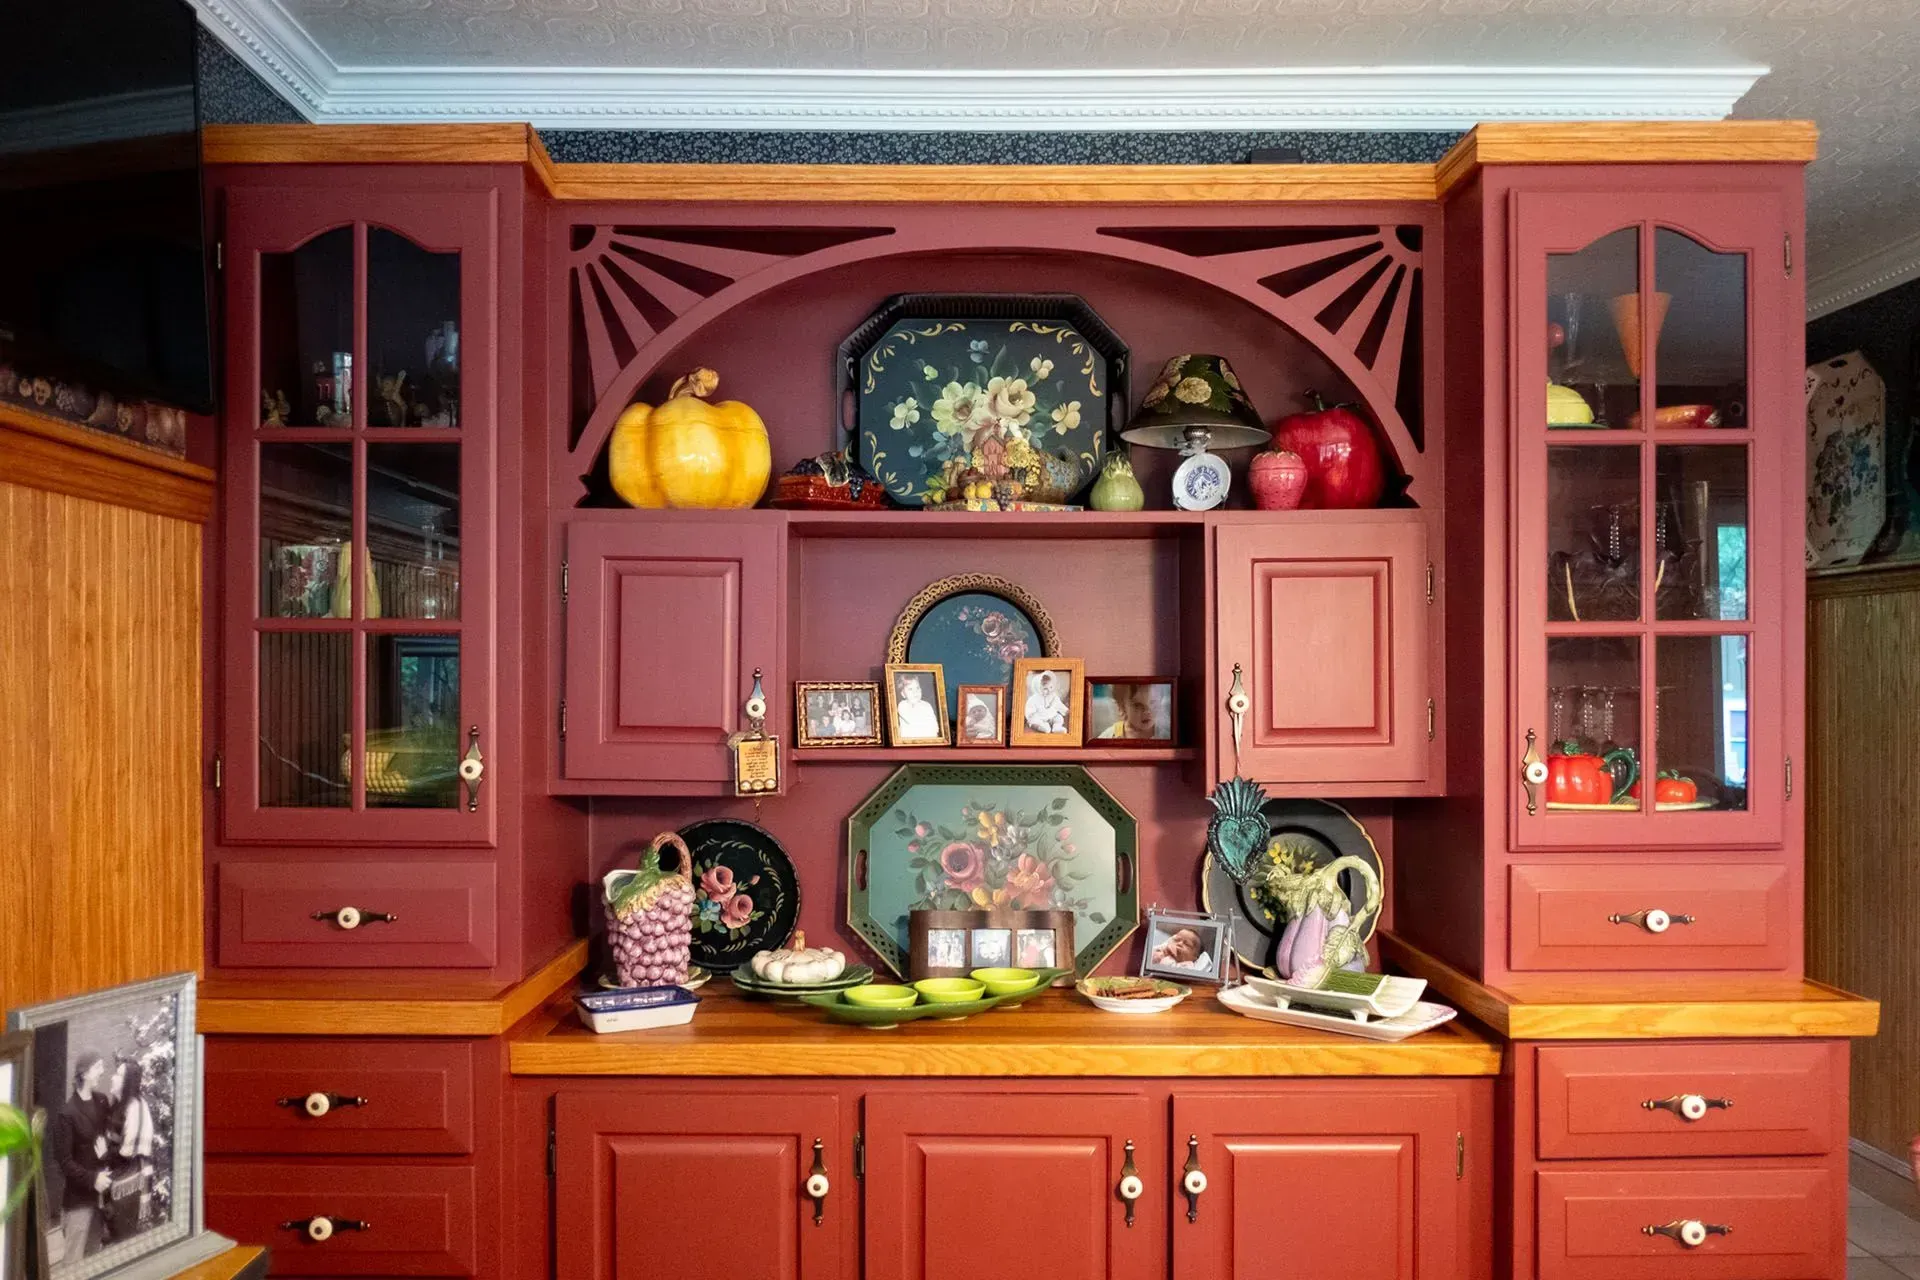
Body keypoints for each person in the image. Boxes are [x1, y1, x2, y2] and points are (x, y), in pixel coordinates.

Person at [47, 1052, 112, 1260]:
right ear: (84, 1073)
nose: (102, 1071)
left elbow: (107, 1140)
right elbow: (64, 1161)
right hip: (78, 1201)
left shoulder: (102, 1101)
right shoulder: (67, 1114)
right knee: (74, 1262)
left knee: (94, 1258)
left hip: (101, 1198)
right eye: (98, 1067)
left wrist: (105, 1156)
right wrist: (93, 1180)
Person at [105, 1060, 156, 1242]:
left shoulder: (136, 1108)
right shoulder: (119, 1106)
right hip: (116, 1177)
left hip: (130, 1182)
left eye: (118, 1074)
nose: (112, 1077)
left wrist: (103, 1154)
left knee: (124, 1237)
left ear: (127, 1082)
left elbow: (126, 1153)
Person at [1097, 684, 1162, 740]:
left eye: (1153, 702)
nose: (1147, 711)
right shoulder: (1112, 735)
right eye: (1137, 705)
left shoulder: (1164, 733)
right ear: (1122, 707)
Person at [894, 675, 941, 740]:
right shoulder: (902, 705)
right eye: (910, 689)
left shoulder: (927, 705)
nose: (915, 692)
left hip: (929, 738)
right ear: (903, 694)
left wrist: (934, 735)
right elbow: (914, 720)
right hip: (909, 740)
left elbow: (934, 725)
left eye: (917, 688)